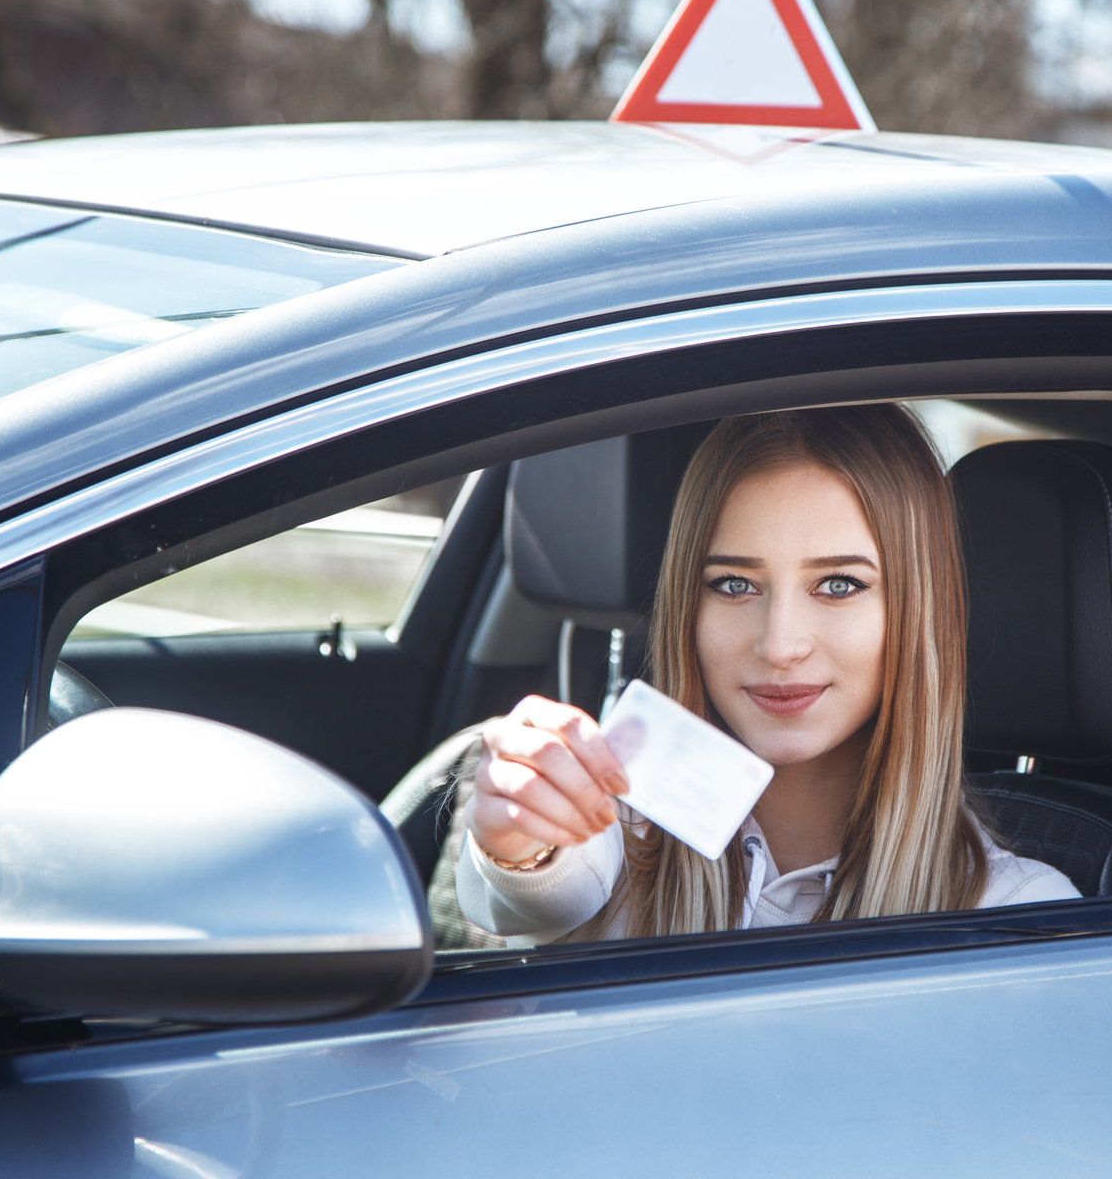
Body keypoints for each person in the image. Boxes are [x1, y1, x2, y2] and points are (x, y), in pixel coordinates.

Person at [447, 405, 1078, 944]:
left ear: (920, 613)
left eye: (838, 585)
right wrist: (522, 845)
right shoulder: (606, 828)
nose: (779, 645)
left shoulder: (1017, 919)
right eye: (734, 584)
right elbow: (539, 891)